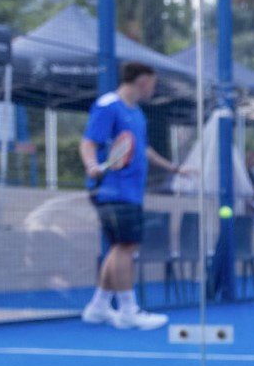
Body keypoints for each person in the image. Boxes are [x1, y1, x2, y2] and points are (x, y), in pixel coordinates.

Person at [79, 61, 190, 330]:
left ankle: (98, 307)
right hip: (111, 189)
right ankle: (128, 311)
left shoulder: (137, 114)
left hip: (129, 192)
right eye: (153, 83)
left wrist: (174, 168)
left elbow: (142, 149)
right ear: (143, 81)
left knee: (120, 246)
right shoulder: (108, 106)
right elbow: (88, 142)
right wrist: (91, 164)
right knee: (126, 247)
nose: (153, 89)